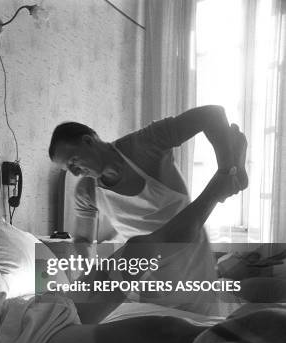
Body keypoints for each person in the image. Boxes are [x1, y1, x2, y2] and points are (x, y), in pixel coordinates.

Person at [0, 170, 264, 343]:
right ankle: (250, 339)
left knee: (139, 250)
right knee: (165, 330)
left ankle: (215, 191)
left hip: (36, 309)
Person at [48, 105, 248, 314]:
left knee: (200, 330)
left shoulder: (145, 144)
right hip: (144, 271)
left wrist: (227, 168)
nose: (74, 172)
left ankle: (229, 177)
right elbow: (83, 240)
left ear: (88, 141)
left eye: (73, 161)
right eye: (68, 169)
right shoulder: (86, 192)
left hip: (189, 259)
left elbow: (212, 114)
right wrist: (90, 276)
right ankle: (228, 179)